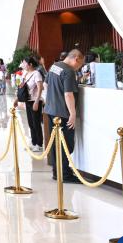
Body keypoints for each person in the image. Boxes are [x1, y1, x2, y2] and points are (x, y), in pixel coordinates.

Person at [45, 49, 85, 183]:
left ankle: (57, 172)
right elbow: (68, 94)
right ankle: (65, 174)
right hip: (63, 113)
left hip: (51, 111)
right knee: (65, 144)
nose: (79, 68)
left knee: (56, 143)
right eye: (80, 64)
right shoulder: (68, 71)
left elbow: (45, 84)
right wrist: (72, 113)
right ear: (76, 59)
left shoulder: (54, 66)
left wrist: (52, 99)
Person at [19, 57, 44, 152]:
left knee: (36, 123)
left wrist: (37, 101)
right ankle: (33, 142)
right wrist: (17, 99)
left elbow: (40, 88)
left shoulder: (36, 74)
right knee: (30, 123)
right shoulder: (25, 73)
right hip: (28, 100)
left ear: (30, 64)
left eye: (25, 63)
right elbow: (22, 87)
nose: (23, 65)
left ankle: (39, 144)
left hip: (35, 101)